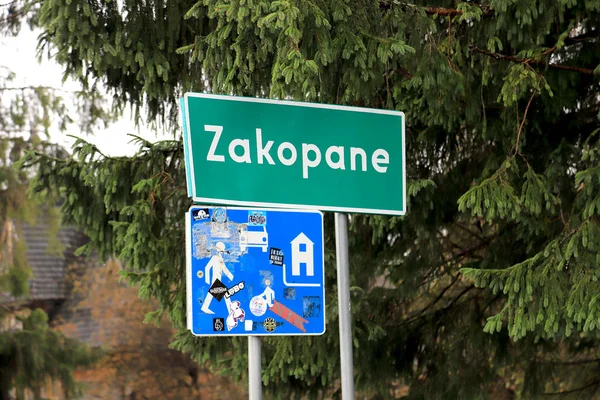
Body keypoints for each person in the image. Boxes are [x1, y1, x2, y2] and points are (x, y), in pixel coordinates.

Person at [201, 241, 233, 314]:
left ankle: (204, 307)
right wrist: (207, 280)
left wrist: (231, 277)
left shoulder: (220, 259)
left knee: (212, 294)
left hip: (218, 280)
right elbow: (207, 268)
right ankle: (231, 311)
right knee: (226, 295)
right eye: (222, 251)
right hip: (215, 280)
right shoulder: (214, 258)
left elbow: (224, 269)